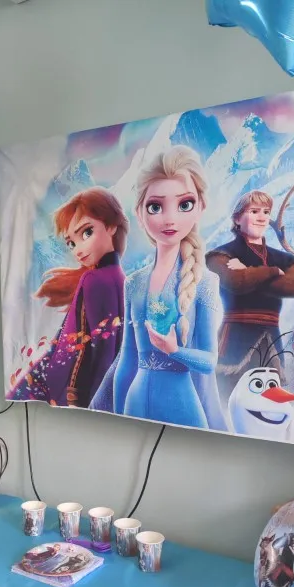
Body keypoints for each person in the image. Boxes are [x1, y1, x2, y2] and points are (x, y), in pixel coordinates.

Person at [112, 146, 226, 430]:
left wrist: (175, 351)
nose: (170, 218)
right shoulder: (133, 283)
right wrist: (114, 420)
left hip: (182, 404)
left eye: (184, 204)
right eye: (155, 207)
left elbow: (209, 361)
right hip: (135, 402)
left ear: (200, 207)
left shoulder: (205, 282)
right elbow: (126, 358)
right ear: (139, 213)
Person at [9, 187, 129, 408]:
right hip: (99, 389)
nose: (78, 250)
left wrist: (75, 397)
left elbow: (85, 346)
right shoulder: (122, 279)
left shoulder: (93, 279)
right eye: (71, 243)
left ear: (111, 226)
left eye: (87, 233)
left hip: (66, 385)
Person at [206, 190, 294, 404]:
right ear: (237, 218)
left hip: (271, 339)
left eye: (266, 212)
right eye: (254, 211)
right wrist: (274, 272)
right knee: (227, 398)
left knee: (268, 402)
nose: (262, 217)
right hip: (235, 338)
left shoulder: (286, 259)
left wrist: (249, 271)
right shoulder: (220, 255)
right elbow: (237, 283)